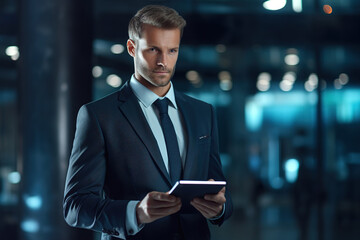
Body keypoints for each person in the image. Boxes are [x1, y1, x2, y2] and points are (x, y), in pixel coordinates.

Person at [63, 5, 232, 240]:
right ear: (132, 48)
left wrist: (219, 208)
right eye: (154, 49)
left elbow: (220, 188)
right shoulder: (99, 116)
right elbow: (75, 206)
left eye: (172, 50)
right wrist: (137, 212)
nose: (164, 61)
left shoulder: (203, 113)